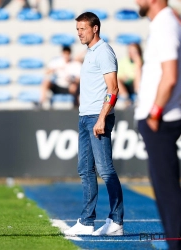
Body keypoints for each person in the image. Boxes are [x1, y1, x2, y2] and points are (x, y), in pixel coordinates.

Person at [64, 12, 124, 236]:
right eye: (77, 29)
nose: (79, 32)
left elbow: (113, 89)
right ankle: (87, 221)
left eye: (82, 28)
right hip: (85, 117)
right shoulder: (90, 52)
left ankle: (116, 220)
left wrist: (101, 118)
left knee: (106, 170)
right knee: (85, 170)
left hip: (98, 118)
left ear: (95, 28)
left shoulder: (104, 52)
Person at [134, 0, 181, 249]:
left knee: (167, 192)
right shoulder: (165, 22)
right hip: (160, 119)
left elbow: (170, 76)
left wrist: (155, 113)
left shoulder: (165, 24)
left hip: (160, 121)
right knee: (165, 190)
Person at [116, 43, 143, 109]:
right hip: (126, 85)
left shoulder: (142, 61)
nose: (131, 54)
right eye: (130, 52)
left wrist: (138, 64)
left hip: (138, 85)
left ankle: (138, 96)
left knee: (138, 72)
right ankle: (125, 98)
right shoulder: (124, 61)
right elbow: (119, 75)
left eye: (134, 52)